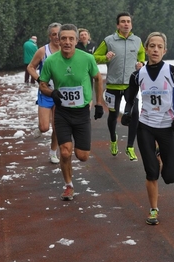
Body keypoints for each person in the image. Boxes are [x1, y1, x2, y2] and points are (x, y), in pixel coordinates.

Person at [122, 32, 174, 225]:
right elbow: (130, 97)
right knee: (151, 173)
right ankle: (153, 210)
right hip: (146, 126)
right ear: (147, 49)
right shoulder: (138, 75)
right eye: (152, 46)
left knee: (169, 177)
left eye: (159, 46)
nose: (156, 50)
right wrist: (127, 112)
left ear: (165, 50)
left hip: (167, 127)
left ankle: (158, 154)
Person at [39, 23, 104, 201]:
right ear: (58, 40)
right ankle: (68, 185)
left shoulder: (87, 58)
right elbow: (42, 83)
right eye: (63, 38)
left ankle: (75, 149)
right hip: (62, 113)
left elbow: (97, 78)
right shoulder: (51, 61)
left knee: (82, 156)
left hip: (82, 112)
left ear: (76, 40)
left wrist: (99, 104)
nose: (67, 42)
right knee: (65, 151)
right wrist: (52, 92)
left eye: (71, 39)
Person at [93, 12, 146, 161]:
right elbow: (94, 57)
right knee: (113, 115)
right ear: (118, 25)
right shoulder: (109, 40)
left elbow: (142, 54)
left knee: (134, 113)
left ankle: (130, 147)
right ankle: (113, 139)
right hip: (113, 85)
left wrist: (141, 62)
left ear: (131, 24)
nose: (126, 24)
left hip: (131, 85)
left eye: (128, 21)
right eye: (123, 21)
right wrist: (105, 58)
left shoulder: (137, 40)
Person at [27, 23, 61, 164]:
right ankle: (40, 128)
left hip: (61, 94)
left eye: (59, 34)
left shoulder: (67, 50)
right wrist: (39, 79)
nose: (57, 37)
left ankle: (53, 152)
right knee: (44, 127)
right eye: (54, 34)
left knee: (57, 126)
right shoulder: (42, 51)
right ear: (49, 36)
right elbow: (30, 67)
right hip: (46, 93)